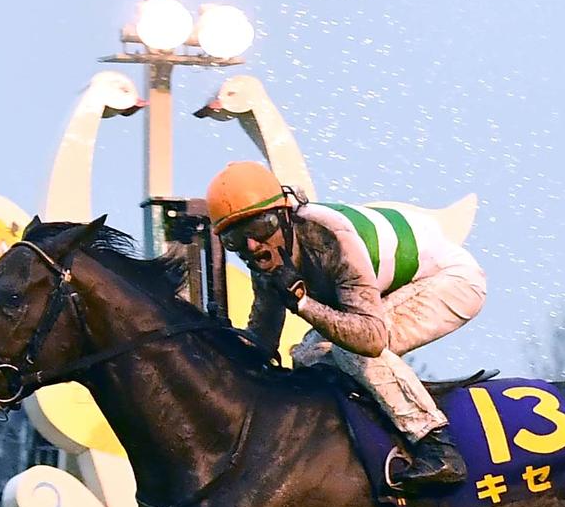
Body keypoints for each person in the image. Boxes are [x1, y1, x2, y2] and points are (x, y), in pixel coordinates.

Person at [206, 161, 486, 487]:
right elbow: (263, 343)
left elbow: (370, 338)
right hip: (389, 293)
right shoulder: (267, 257)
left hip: (452, 281)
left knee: (350, 350)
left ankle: (436, 446)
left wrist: (303, 304)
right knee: (306, 355)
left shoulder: (328, 238)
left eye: (260, 227)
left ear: (285, 215)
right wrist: (219, 340)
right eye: (235, 239)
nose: (253, 247)